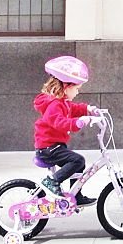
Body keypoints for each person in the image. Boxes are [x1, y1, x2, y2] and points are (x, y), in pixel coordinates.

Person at [33, 55, 103, 206]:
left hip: (55, 146)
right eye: (76, 89)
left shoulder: (62, 102)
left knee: (79, 164)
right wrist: (78, 122)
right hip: (48, 148)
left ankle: (76, 195)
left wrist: (88, 109)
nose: (78, 92)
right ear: (66, 87)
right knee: (77, 160)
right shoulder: (54, 105)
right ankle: (51, 182)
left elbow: (74, 108)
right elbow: (60, 123)